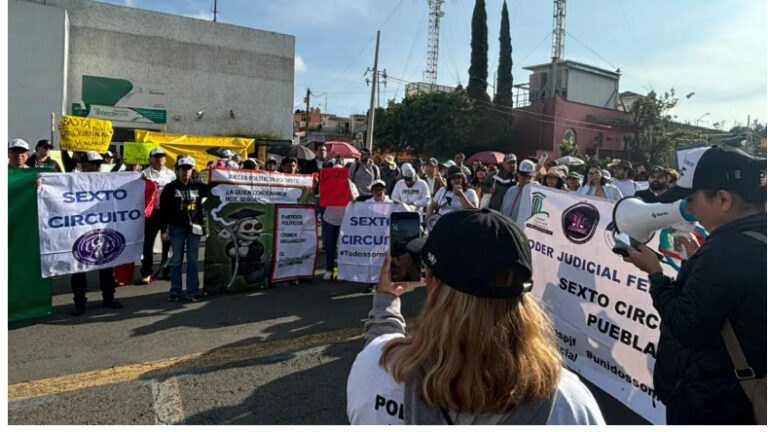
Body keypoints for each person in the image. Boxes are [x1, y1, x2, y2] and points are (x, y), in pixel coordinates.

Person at [347, 208, 605, 425]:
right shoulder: (569, 403)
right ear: (522, 295)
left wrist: (385, 302)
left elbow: (379, 346)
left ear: (432, 283)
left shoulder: (377, 369)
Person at [623, 146, 766, 425]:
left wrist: (654, 273)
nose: (688, 210)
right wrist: (698, 260)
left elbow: (687, 325)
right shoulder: (752, 237)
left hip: (710, 404)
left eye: (691, 199)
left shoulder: (726, 251)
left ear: (723, 199)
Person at [67, 151, 123, 315]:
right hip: (80, 230)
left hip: (103, 229)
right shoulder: (71, 180)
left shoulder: (106, 178)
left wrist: (139, 180)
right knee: (78, 267)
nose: (98, 167)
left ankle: (108, 297)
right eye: (94, 164)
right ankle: (79, 302)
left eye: (99, 164)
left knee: (106, 265)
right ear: (83, 166)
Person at [160, 156, 208, 302]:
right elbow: (164, 210)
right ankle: (175, 291)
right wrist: (163, 230)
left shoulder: (199, 186)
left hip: (195, 228)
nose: (186, 172)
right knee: (176, 260)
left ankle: (192, 291)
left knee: (193, 260)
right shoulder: (170, 188)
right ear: (177, 170)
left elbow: (217, 190)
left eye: (189, 169)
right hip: (176, 228)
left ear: (193, 170)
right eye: (183, 169)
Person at [139, 148, 176, 284]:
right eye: (157, 157)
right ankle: (146, 272)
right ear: (151, 159)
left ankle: (166, 270)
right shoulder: (144, 173)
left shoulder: (171, 174)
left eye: (162, 157)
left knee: (168, 242)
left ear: (165, 159)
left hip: (167, 212)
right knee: (148, 242)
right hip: (151, 212)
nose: (160, 159)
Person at [321, 175, 359, 280]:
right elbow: (323, 201)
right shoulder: (328, 185)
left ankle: (344, 271)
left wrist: (349, 187)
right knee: (330, 246)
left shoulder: (351, 184)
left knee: (345, 247)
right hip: (330, 220)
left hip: (345, 221)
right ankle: (330, 270)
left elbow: (354, 200)